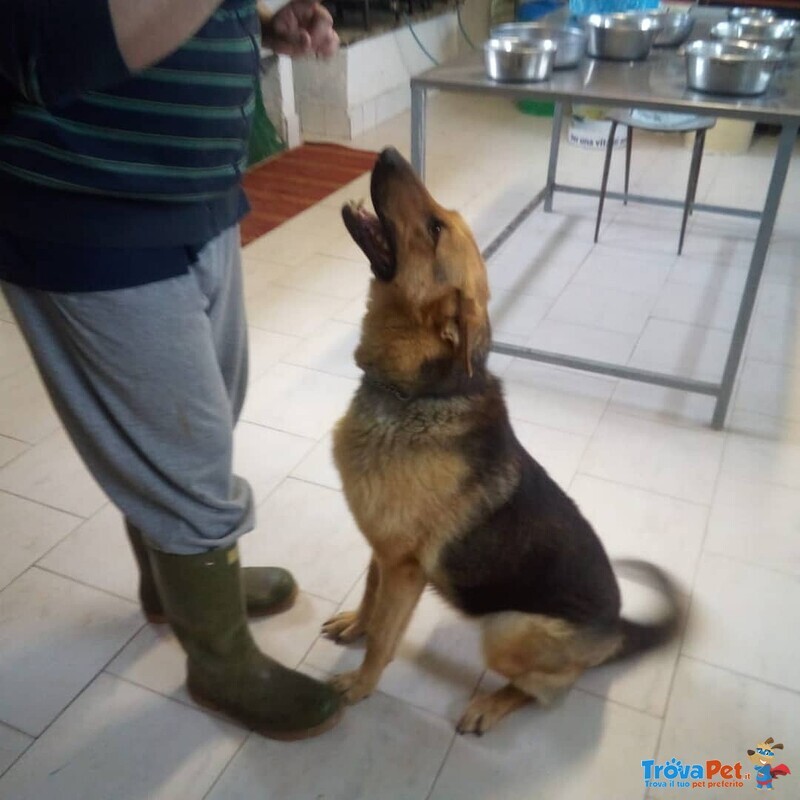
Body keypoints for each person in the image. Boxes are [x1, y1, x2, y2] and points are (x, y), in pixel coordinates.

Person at [0, 0, 342, 740]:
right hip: (86, 208)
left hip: (195, 192)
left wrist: (256, 23)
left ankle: (173, 585)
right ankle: (218, 660)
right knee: (184, 451)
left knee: (204, 416)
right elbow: (40, 51)